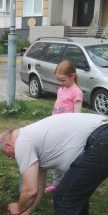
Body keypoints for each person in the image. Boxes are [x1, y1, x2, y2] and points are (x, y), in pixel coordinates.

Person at [45, 60, 83, 194]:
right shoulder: (61, 89)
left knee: (66, 159)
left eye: (63, 80)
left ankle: (68, 185)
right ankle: (56, 184)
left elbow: (77, 114)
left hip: (67, 130)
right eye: (59, 80)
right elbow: (57, 106)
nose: (60, 83)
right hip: (56, 127)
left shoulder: (76, 92)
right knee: (55, 157)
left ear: (72, 76)